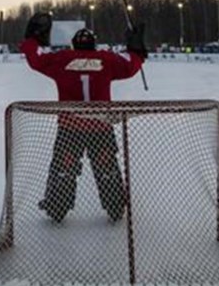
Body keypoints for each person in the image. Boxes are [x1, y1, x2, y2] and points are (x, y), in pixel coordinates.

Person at [20, 12, 148, 223]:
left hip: (70, 127)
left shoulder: (62, 60)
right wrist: (136, 48)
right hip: (101, 127)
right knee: (107, 167)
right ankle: (115, 207)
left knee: (64, 168)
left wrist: (32, 39)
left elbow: (36, 59)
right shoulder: (106, 60)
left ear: (73, 44)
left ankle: (56, 207)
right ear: (94, 45)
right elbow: (131, 65)